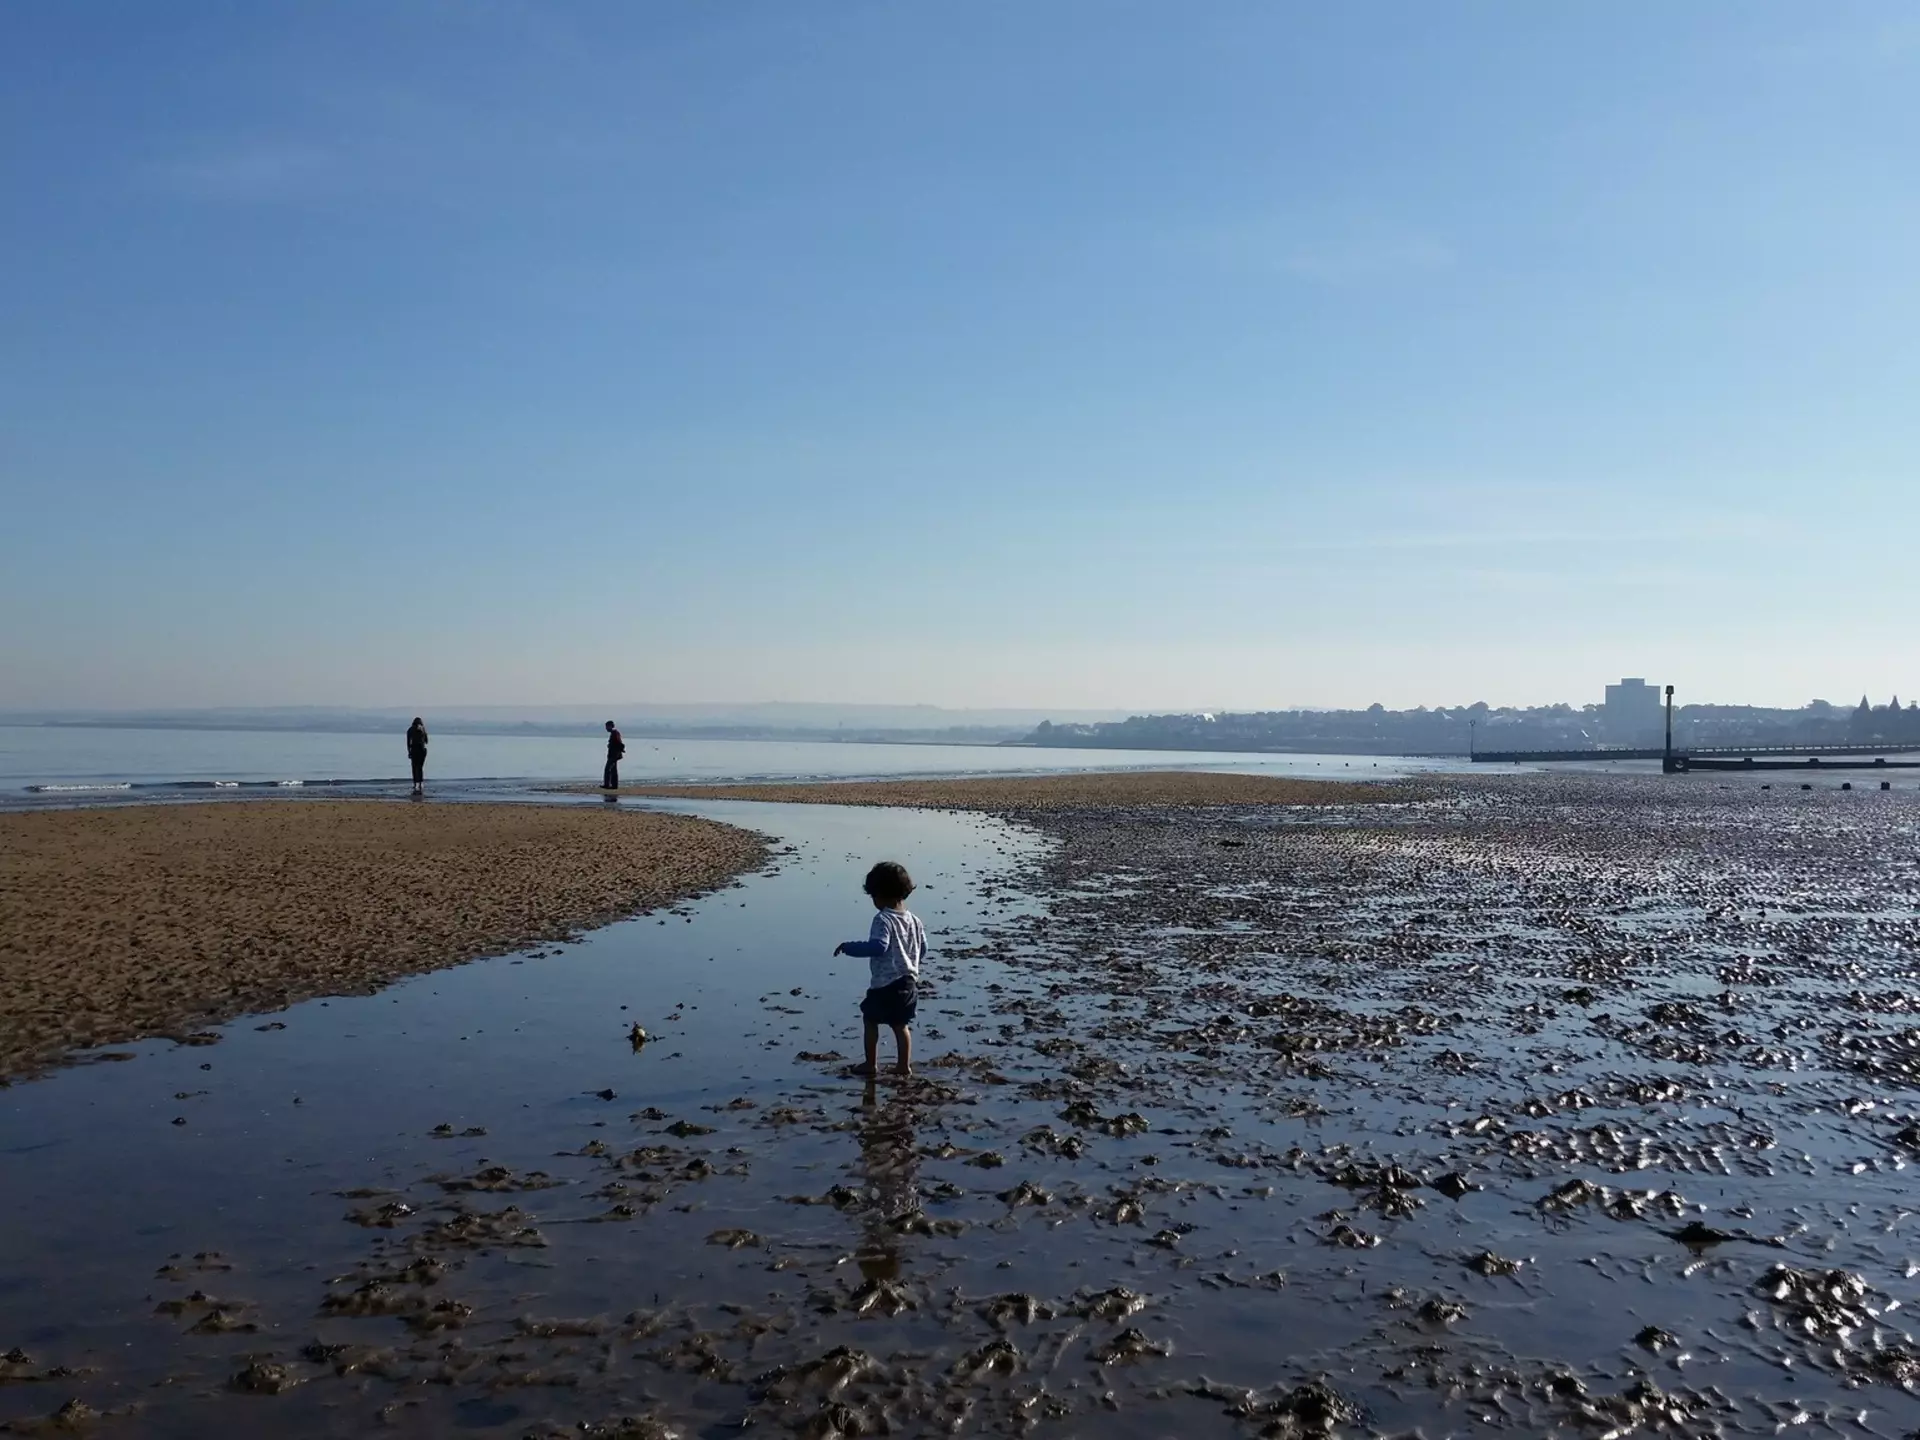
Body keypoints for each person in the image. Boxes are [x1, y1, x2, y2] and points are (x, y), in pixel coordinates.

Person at [833, 861, 925, 1078]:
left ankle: (870, 1064)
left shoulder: (883, 918)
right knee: (900, 1025)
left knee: (870, 1019)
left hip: (886, 984)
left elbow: (878, 947)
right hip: (909, 981)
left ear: (880, 895)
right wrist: (911, 962)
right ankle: (903, 1065)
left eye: (873, 896)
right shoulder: (914, 920)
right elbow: (923, 948)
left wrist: (850, 947)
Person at [405, 717, 429, 795]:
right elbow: (426, 741)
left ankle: (416, 784)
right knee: (420, 767)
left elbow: (408, 743)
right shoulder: (423, 729)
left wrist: (409, 752)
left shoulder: (410, 730)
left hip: (414, 750)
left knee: (414, 767)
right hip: (422, 750)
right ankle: (421, 783)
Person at [602, 719, 625, 789]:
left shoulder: (615, 733)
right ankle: (614, 785)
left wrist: (619, 749)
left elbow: (619, 743)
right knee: (613, 770)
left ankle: (607, 784)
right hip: (613, 754)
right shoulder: (614, 733)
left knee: (607, 769)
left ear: (610, 726)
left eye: (607, 727)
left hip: (614, 755)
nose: (606, 728)